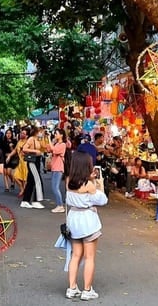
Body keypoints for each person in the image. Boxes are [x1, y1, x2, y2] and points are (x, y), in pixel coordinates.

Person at [65, 152, 108, 301]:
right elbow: (102, 200)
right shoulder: (88, 185)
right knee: (89, 257)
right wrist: (97, 182)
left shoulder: (69, 181)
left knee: (75, 255)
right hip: (88, 221)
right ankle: (87, 290)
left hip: (74, 220)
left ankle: (72, 288)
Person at [19, 126, 47, 209]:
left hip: (37, 161)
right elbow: (24, 148)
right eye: (40, 132)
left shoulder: (37, 139)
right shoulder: (31, 139)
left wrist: (46, 137)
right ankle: (35, 200)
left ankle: (25, 200)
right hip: (32, 162)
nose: (41, 133)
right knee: (37, 180)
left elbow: (45, 147)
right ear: (36, 132)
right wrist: (35, 151)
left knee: (31, 181)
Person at [50, 128, 70, 213]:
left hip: (59, 167)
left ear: (61, 135)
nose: (55, 135)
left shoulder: (63, 145)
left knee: (55, 187)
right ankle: (59, 204)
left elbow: (54, 150)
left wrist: (48, 140)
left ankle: (60, 205)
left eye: (56, 133)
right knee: (54, 187)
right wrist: (51, 141)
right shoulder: (57, 143)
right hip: (54, 167)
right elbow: (49, 149)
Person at [9, 128, 29, 196]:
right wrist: (9, 156)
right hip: (20, 163)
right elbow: (15, 150)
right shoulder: (19, 141)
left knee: (25, 179)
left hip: (26, 163)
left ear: (27, 136)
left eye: (23, 133)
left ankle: (25, 192)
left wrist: (26, 153)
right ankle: (22, 189)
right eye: (21, 133)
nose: (21, 134)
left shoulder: (28, 142)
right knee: (15, 176)